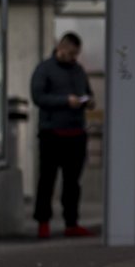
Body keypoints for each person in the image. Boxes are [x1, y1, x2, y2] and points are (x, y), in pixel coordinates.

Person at [30, 33, 93, 238]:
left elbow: (88, 92)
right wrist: (66, 101)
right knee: (47, 179)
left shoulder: (79, 70)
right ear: (61, 48)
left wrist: (88, 101)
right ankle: (43, 222)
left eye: (77, 54)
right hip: (52, 133)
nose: (74, 57)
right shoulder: (44, 69)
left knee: (72, 181)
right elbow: (38, 97)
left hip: (76, 132)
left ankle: (71, 222)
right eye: (71, 53)